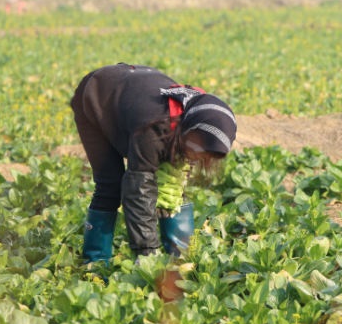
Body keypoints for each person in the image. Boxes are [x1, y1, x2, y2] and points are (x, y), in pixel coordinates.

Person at [70, 63, 237, 262]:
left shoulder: (199, 115)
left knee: (171, 184)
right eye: (199, 153)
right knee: (111, 183)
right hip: (98, 95)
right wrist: (146, 253)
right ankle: (95, 264)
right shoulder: (153, 128)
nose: (200, 160)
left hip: (135, 91)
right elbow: (138, 191)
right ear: (188, 136)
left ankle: (180, 258)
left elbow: (173, 182)